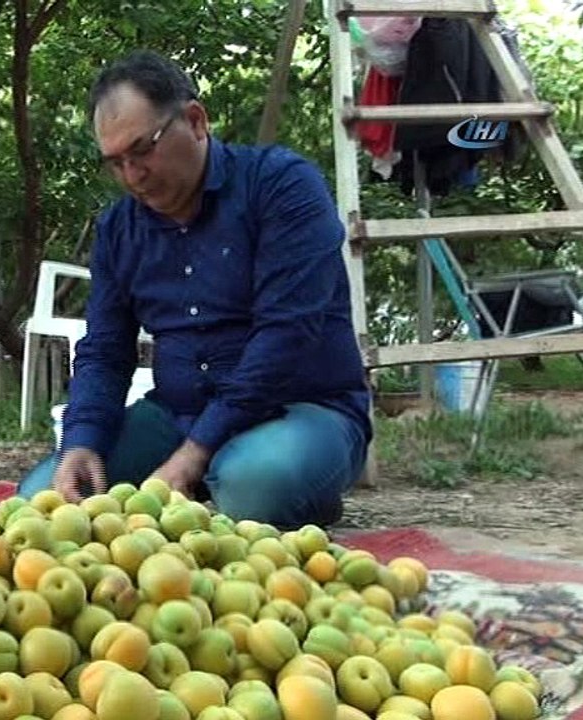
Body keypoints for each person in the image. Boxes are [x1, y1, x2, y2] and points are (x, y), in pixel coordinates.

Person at [19, 50, 373, 529]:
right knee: (43, 500)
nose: (132, 175)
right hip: (177, 416)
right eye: (116, 163)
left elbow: (287, 334)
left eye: (143, 149)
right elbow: (105, 350)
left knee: (258, 485)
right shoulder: (120, 230)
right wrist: (81, 442)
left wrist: (195, 454)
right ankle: (216, 478)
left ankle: (275, 486)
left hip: (297, 408)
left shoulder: (281, 186)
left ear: (196, 120)